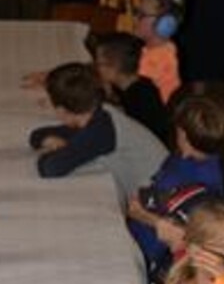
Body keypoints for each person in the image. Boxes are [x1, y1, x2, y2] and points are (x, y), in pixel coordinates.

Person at [28, 61, 165, 210]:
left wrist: (56, 151)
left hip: (161, 200)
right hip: (154, 190)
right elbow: (36, 135)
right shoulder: (98, 113)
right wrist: (47, 139)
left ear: (61, 110)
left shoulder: (101, 131)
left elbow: (51, 168)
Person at [126, 90, 224, 275]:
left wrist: (140, 211)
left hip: (146, 252)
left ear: (182, 134)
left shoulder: (185, 180)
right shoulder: (204, 163)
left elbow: (141, 208)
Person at [90, 31, 169, 143]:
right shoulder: (136, 86)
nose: (96, 68)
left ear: (115, 66)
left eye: (99, 63)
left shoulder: (141, 97)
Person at [131, 0, 183, 103]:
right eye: (136, 12)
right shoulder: (148, 50)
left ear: (165, 24)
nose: (134, 18)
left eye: (141, 15)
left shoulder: (164, 61)